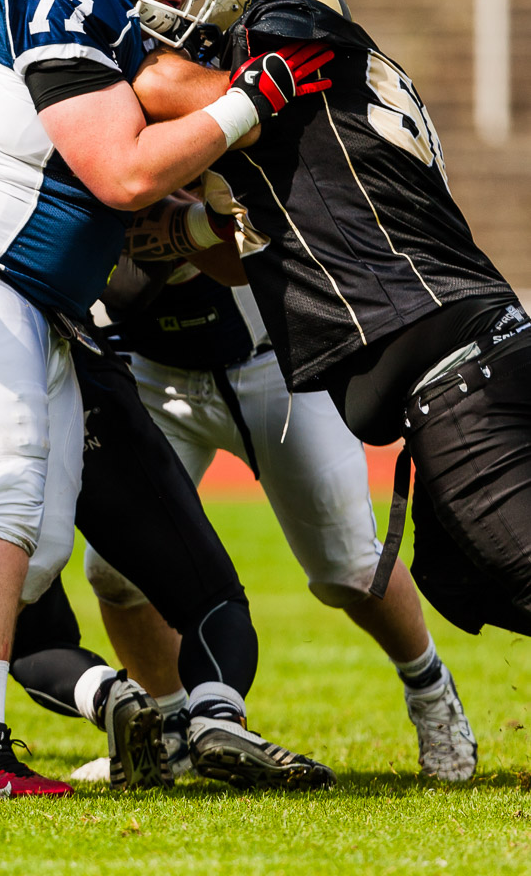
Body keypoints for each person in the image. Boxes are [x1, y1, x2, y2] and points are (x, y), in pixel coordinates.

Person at [0, 0, 336, 797]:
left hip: (35, 302)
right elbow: (123, 175)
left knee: (36, 545)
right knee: (2, 505)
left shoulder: (125, 41)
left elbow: (176, 216)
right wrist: (248, 104)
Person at [135, 0, 524, 742]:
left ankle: (433, 700)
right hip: (483, 350)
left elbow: (159, 85)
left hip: (458, 374)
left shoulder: (305, 57)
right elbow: (259, 247)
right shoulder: (340, 105)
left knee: (513, 568)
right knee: (469, 582)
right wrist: (191, 227)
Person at [83, 236, 476, 781]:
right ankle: (171, 729)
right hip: (154, 369)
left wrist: (173, 221)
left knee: (351, 570)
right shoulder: (87, 153)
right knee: (114, 570)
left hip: (275, 362)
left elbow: (153, 262)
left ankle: (431, 690)